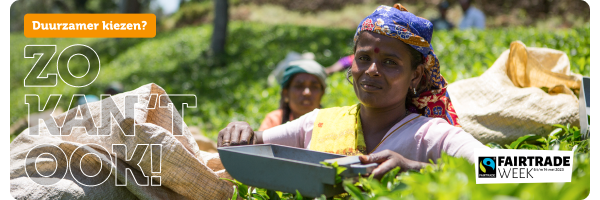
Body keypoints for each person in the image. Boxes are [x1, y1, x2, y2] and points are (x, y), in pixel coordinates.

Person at [218, 3, 488, 179]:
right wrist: (239, 130)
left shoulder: (431, 136)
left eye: (390, 62)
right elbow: (254, 143)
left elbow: (521, 170)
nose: (371, 70)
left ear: (415, 74)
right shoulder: (318, 123)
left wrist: (414, 168)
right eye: (363, 58)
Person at [258, 59, 327, 131]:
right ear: (286, 93)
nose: (307, 92)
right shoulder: (274, 121)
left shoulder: (330, 122)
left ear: (322, 93)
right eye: (299, 86)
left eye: (314, 87)